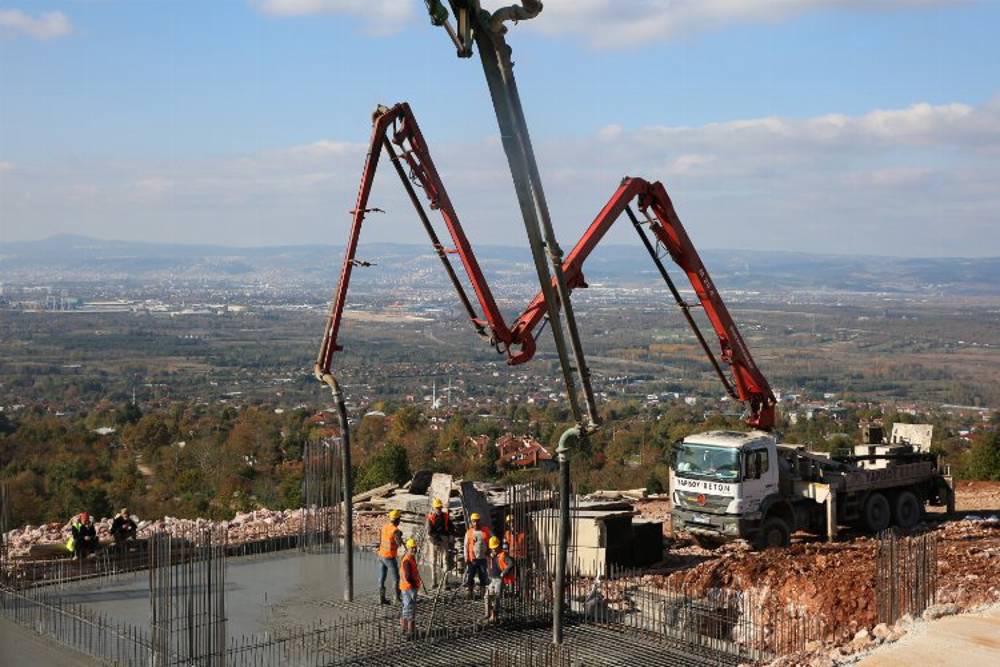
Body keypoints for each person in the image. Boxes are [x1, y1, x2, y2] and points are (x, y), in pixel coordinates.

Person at [425, 497, 454, 588]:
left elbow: (451, 527)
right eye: (437, 508)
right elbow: (430, 532)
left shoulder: (445, 516)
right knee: (433, 561)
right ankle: (434, 582)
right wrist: (436, 541)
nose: (439, 509)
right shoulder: (431, 517)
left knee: (445, 560)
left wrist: (451, 535)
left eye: (440, 508)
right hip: (434, 540)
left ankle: (445, 582)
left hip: (444, 539)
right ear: (434, 508)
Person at [484, 536, 514, 622]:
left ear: (498, 546)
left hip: (499, 580)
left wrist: (504, 573)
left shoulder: (503, 555)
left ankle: (494, 616)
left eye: (494, 548)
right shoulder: (494, 555)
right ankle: (487, 614)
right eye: (492, 548)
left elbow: (511, 563)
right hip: (493, 580)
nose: (493, 549)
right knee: (487, 596)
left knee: (497, 597)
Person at [378, 509, 404, 605]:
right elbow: (399, 544)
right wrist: (400, 536)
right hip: (389, 557)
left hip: (381, 555)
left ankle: (381, 598)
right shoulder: (395, 531)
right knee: (396, 578)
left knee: (382, 578)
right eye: (399, 519)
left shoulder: (385, 527)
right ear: (397, 519)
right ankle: (397, 598)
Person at [463, 512, 490, 600]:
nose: (476, 523)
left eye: (477, 521)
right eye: (474, 521)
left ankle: (483, 594)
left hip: (483, 558)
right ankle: (469, 593)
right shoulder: (469, 532)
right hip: (472, 559)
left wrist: (490, 552)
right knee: (470, 576)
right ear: (471, 522)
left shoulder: (485, 530)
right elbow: (466, 545)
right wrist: (466, 557)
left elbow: (491, 540)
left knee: (483, 576)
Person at [399, 537, 422, 637]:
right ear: (408, 548)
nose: (414, 549)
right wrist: (414, 584)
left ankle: (404, 629)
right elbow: (408, 576)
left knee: (406, 608)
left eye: (415, 547)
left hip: (407, 587)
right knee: (410, 610)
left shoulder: (410, 558)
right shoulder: (407, 561)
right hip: (409, 588)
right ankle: (410, 632)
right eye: (412, 548)